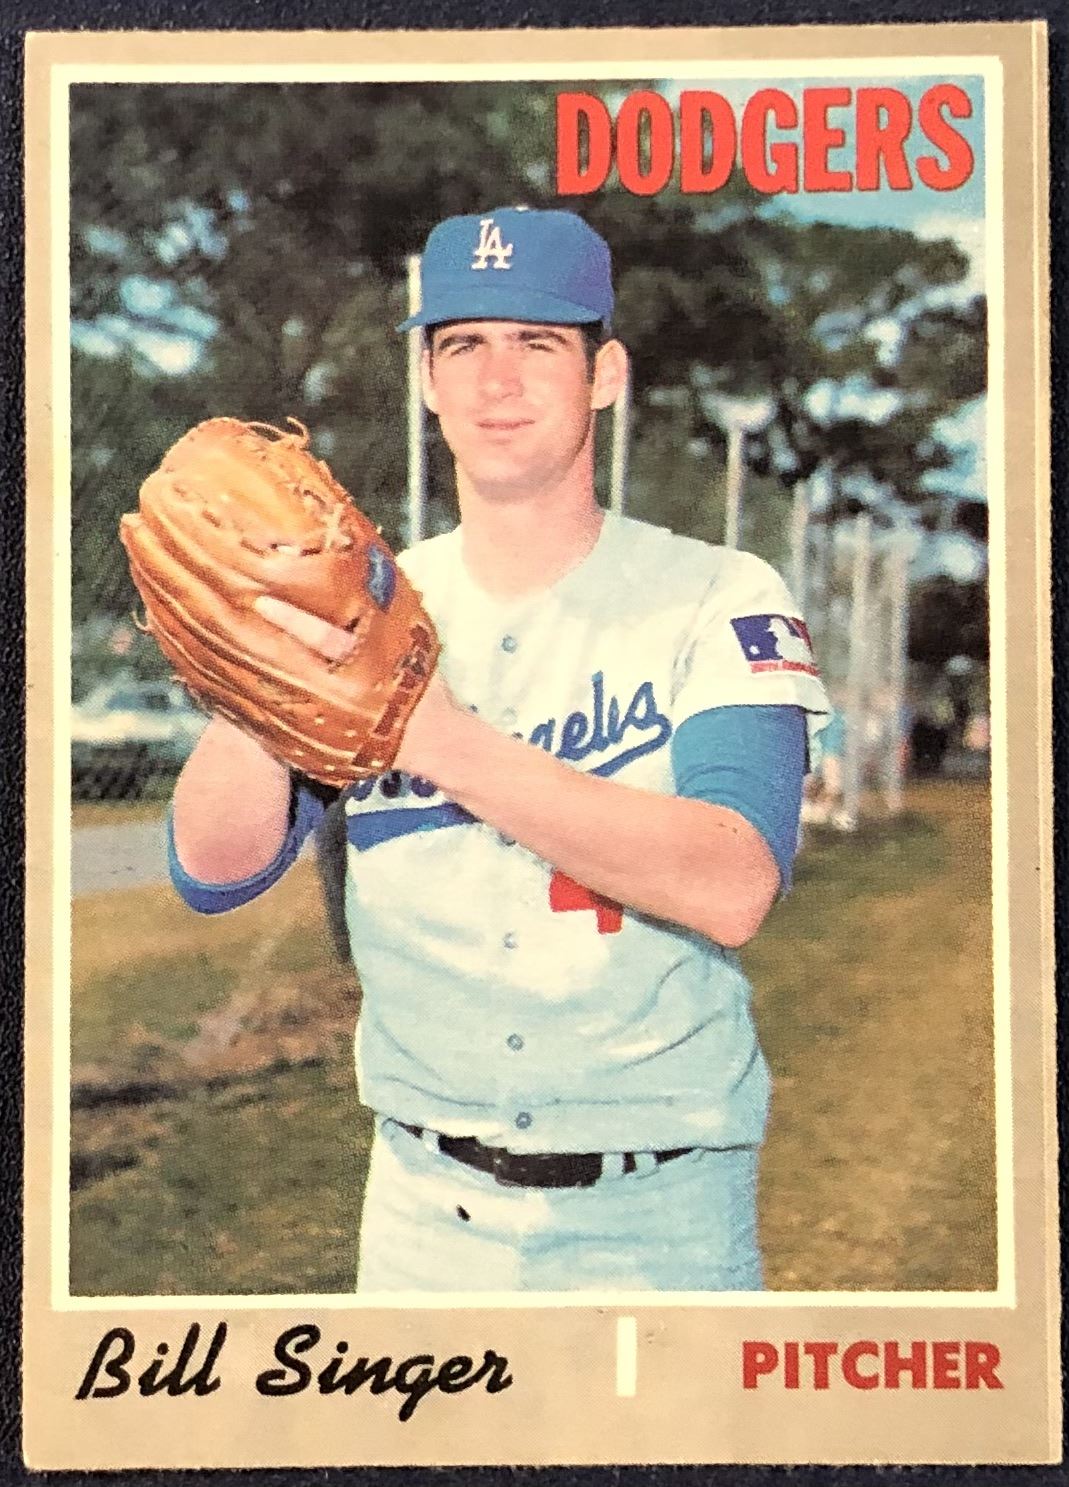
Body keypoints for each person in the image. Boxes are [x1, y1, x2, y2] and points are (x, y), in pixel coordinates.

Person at [168, 207, 829, 1293]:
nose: (497, 379)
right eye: (463, 343)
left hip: (659, 1214)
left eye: (537, 341)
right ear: (427, 380)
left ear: (603, 374)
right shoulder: (361, 597)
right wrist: (254, 668)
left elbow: (733, 880)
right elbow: (215, 869)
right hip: (421, 1212)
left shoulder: (716, 593)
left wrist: (440, 739)